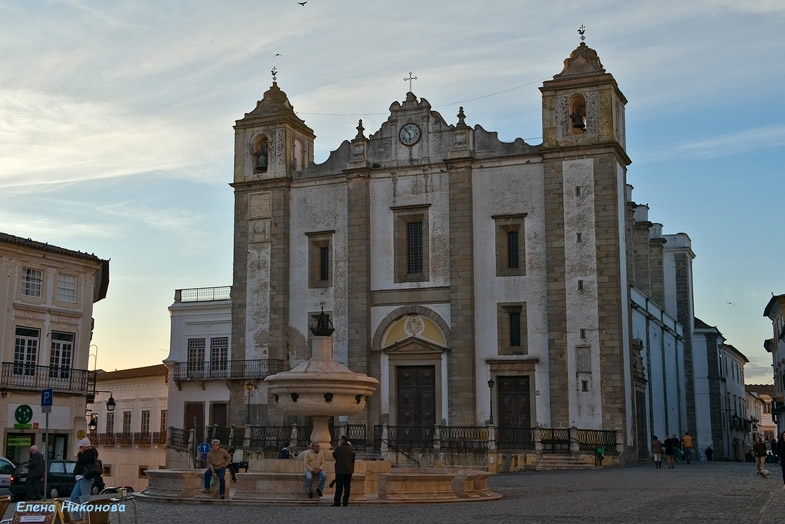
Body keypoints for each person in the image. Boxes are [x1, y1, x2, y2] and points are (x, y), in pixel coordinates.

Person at [70, 438, 98, 520]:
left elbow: (83, 461)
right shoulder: (86, 452)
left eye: (81, 447)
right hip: (80, 478)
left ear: (84, 446)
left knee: (85, 497)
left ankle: (86, 516)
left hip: (85, 478)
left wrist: (80, 454)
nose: (79, 449)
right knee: (74, 496)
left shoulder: (89, 452)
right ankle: (79, 516)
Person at [331, 435, 355, 507]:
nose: (339, 441)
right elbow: (353, 459)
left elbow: (334, 455)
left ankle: (337, 501)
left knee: (339, 487)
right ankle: (345, 502)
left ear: (343, 440)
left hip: (340, 470)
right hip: (349, 470)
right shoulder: (351, 449)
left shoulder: (339, 448)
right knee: (347, 487)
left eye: (340, 439)